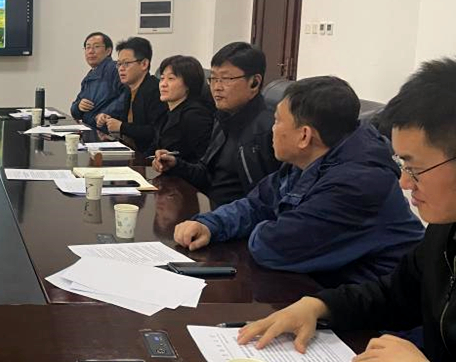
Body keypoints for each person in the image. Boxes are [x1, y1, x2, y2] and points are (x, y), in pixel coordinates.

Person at [238, 59, 456, 362]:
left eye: (415, 168)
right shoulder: (443, 229)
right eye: (402, 165)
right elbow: (394, 294)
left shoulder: (365, 182)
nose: (404, 183)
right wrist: (318, 305)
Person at [173, 76, 423, 287]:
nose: (271, 129)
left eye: (277, 121)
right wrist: (211, 224)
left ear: (304, 136)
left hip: (378, 317)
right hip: (323, 292)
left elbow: (275, 247)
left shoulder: (358, 183)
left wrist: (268, 223)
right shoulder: (311, 160)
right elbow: (258, 203)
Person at [154, 42, 279, 208]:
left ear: (254, 83)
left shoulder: (268, 131)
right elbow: (206, 175)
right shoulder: (223, 119)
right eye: (213, 79)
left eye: (226, 79)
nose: (217, 87)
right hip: (212, 211)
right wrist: (176, 165)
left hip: (235, 219)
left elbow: (266, 202)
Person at [95, 37, 168, 154]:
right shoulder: (128, 89)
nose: (121, 69)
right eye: (119, 64)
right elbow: (128, 125)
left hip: (148, 157)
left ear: (144, 64)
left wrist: (121, 127)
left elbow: (155, 132)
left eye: (126, 63)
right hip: (130, 152)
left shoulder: (155, 90)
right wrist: (108, 121)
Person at [154, 54, 214, 162]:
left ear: (188, 84)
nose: (163, 84)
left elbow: (204, 162)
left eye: (171, 78)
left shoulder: (195, 116)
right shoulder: (166, 112)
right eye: (162, 78)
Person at [70, 32, 123, 127]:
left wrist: (106, 114)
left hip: (106, 128)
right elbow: (74, 112)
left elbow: (126, 96)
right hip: (89, 127)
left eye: (96, 47)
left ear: (108, 51)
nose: (91, 51)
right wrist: (79, 106)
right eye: (88, 47)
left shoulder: (115, 69)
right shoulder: (89, 76)